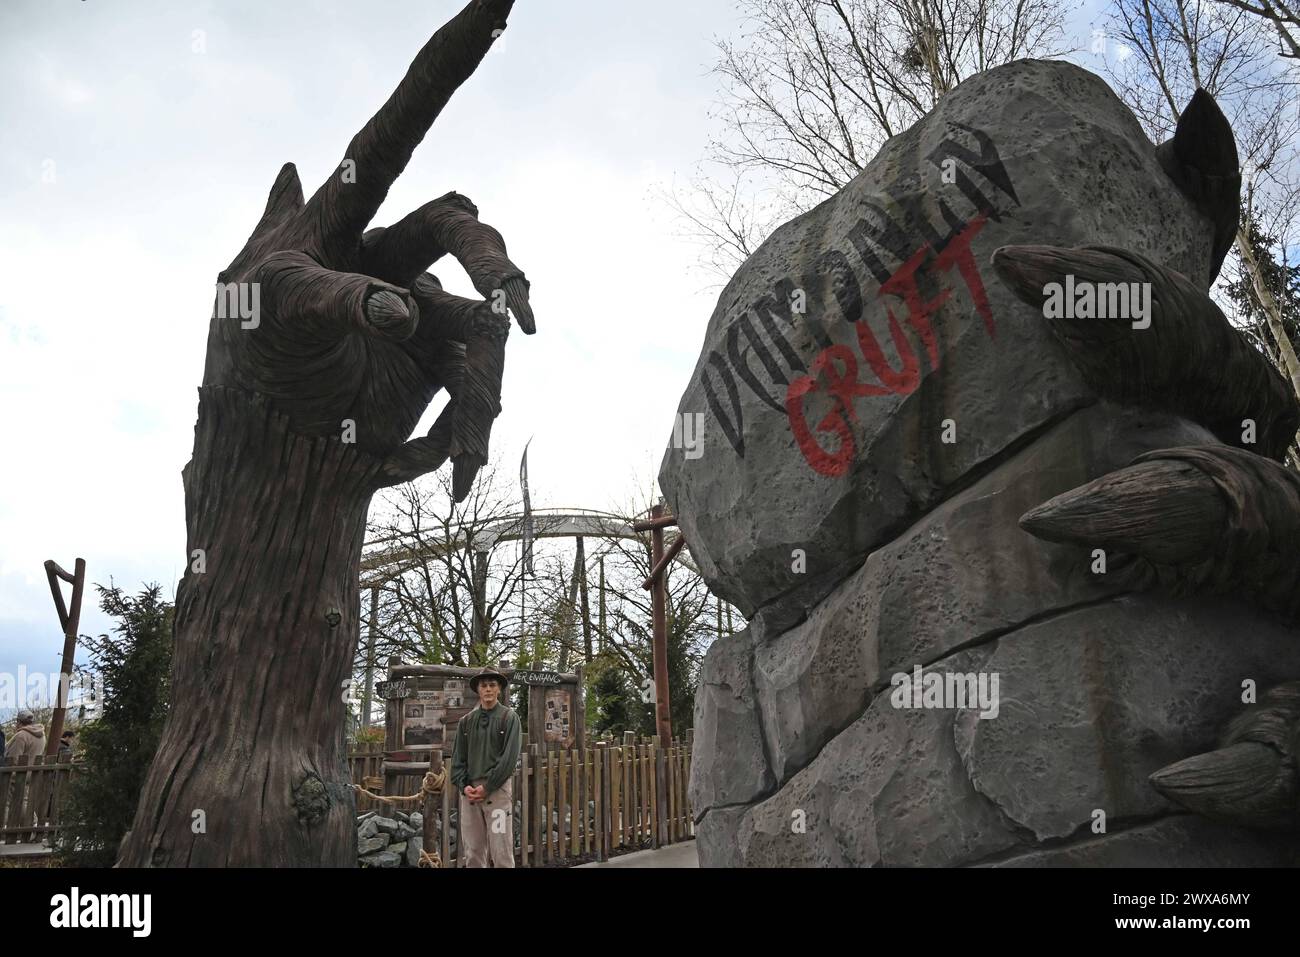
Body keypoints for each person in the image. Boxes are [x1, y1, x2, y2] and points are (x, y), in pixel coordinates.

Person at [450, 667, 521, 868]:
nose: (488, 689)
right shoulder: (466, 723)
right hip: (470, 795)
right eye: (484, 685)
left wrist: (488, 787)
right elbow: (458, 760)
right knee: (473, 852)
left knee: (501, 852)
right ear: (478, 690)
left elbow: (508, 760)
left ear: (499, 689)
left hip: (497, 794)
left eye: (492, 685)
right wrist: (465, 787)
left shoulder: (509, 718)